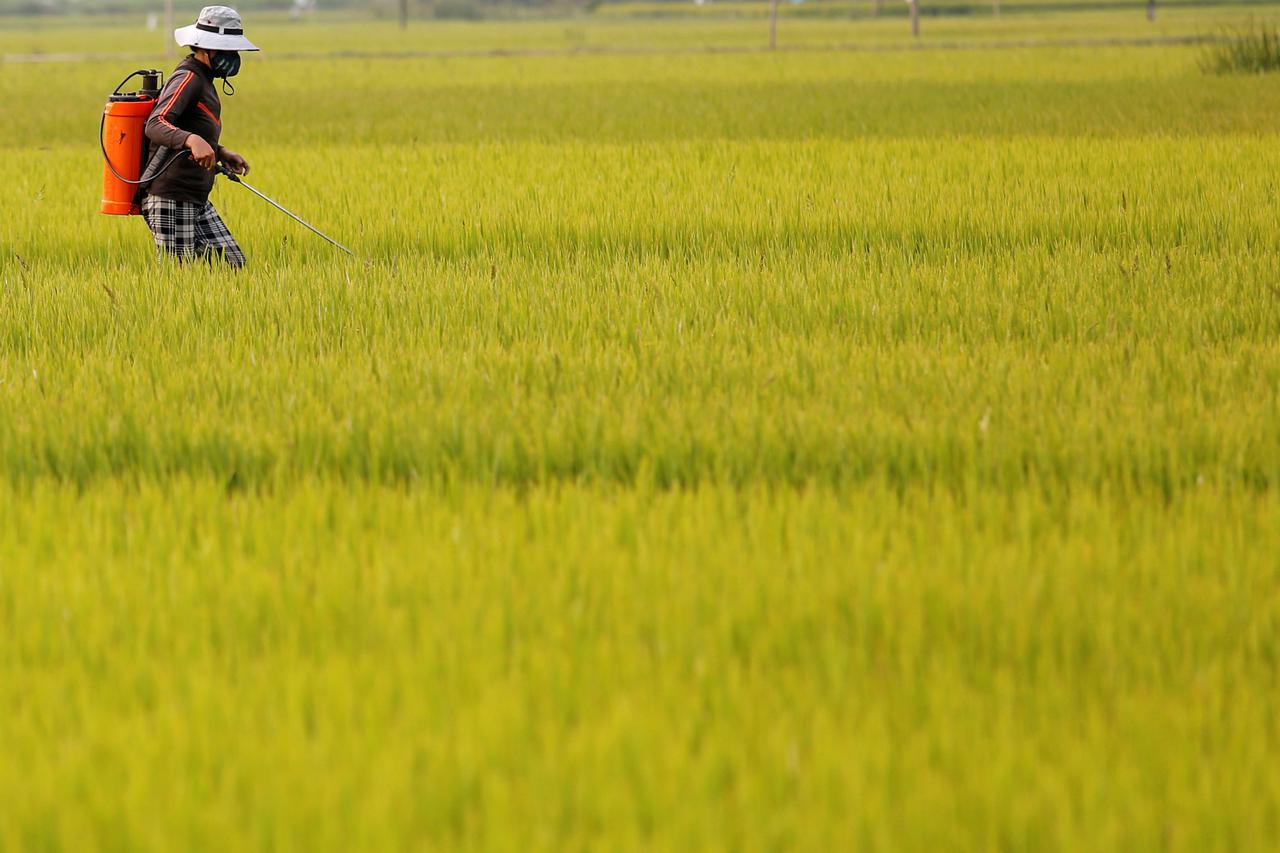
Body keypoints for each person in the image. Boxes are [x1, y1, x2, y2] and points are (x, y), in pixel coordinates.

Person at [142, 6, 259, 267]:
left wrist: (219, 151)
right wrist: (192, 140)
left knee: (232, 264)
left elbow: (193, 127)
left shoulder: (205, 80)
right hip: (171, 196)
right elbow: (156, 123)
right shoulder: (188, 77)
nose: (234, 57)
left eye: (234, 50)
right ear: (206, 48)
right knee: (179, 278)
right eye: (227, 50)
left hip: (194, 195)